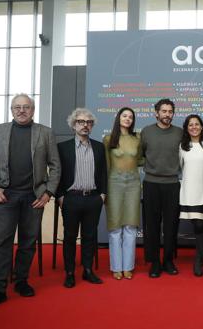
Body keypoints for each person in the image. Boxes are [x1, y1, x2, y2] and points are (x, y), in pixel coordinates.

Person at [0, 94, 61, 311]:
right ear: (11, 109)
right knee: (2, 242)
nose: (21, 110)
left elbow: (56, 166)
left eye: (26, 107)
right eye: (17, 107)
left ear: (33, 110)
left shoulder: (45, 132)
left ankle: (21, 280)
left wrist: (49, 192)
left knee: (28, 241)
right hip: (5, 196)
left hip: (34, 197)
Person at [56, 108, 107, 288]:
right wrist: (60, 196)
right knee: (69, 237)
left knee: (90, 237)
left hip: (93, 199)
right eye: (80, 122)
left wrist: (102, 195)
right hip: (71, 199)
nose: (85, 125)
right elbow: (57, 174)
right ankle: (69, 272)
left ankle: (87, 270)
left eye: (88, 122)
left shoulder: (99, 147)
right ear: (73, 125)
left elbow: (103, 174)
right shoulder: (62, 148)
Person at [141, 98, 183, 277]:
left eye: (170, 111)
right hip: (151, 184)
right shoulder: (146, 132)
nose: (167, 114)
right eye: (164, 111)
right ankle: (155, 262)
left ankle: (168, 260)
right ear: (156, 113)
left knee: (171, 225)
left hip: (172, 184)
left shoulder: (180, 133)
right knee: (151, 225)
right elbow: (142, 154)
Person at [103, 107, 143, 280]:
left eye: (131, 117)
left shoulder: (138, 138)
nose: (127, 119)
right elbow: (105, 166)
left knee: (130, 227)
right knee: (115, 228)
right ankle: (116, 267)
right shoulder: (108, 139)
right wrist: (103, 190)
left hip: (133, 185)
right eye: (124, 115)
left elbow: (142, 159)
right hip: (113, 185)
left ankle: (128, 267)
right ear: (118, 118)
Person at [179, 114, 203, 276]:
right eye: (190, 125)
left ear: (201, 126)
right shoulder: (182, 146)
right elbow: (179, 168)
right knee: (198, 226)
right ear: (186, 128)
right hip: (190, 192)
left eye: (197, 124)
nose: (194, 127)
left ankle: (200, 259)